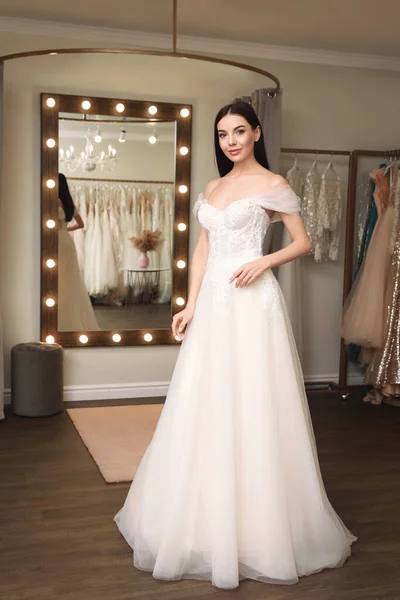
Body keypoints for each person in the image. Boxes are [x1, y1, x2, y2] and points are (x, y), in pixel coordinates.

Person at [114, 102, 356, 589]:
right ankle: (200, 516)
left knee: (253, 404)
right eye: (223, 133)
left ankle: (258, 528)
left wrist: (264, 262)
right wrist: (189, 303)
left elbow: (303, 242)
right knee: (203, 402)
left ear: (256, 132)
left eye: (239, 131)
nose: (230, 141)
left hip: (252, 303)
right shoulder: (212, 187)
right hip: (215, 306)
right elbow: (203, 248)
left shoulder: (273, 185)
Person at [57, 173, 99, 331]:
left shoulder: (51, 201)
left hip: (56, 242)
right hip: (66, 241)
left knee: (59, 279)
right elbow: (81, 224)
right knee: (69, 280)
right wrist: (64, 229)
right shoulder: (69, 203)